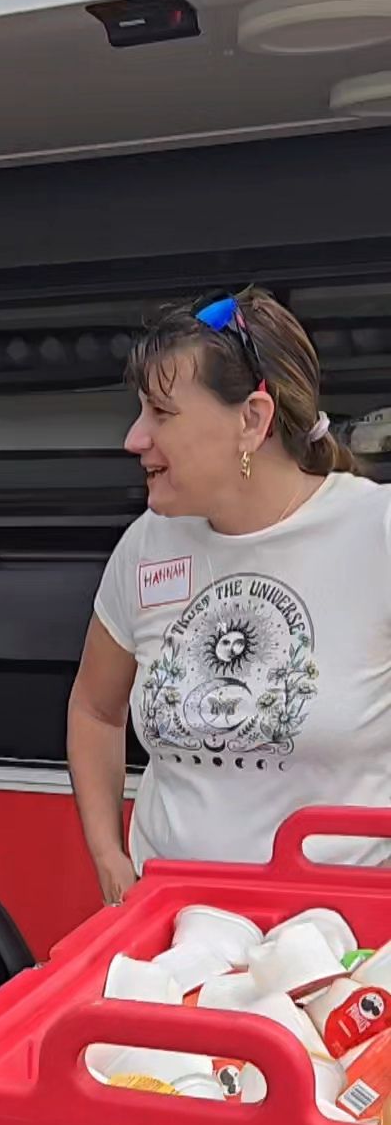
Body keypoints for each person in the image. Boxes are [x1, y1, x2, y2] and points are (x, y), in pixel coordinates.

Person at [67, 286, 388, 903]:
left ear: (252, 421)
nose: (134, 439)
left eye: (161, 414)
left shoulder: (377, 533)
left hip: (337, 942)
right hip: (171, 929)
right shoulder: (146, 546)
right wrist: (109, 857)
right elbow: (95, 710)